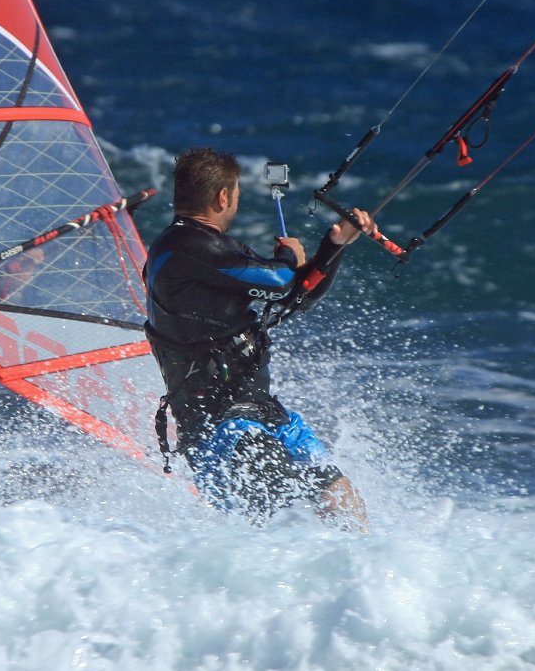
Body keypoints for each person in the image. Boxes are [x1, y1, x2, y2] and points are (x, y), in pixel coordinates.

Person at [144, 148, 371, 527]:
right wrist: (288, 257)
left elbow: (295, 298)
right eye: (235, 195)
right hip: (218, 426)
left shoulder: (217, 253)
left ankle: (363, 575)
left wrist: (334, 247)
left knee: (339, 494)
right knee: (281, 510)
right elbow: (280, 281)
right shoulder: (184, 248)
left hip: (261, 411)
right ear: (222, 197)